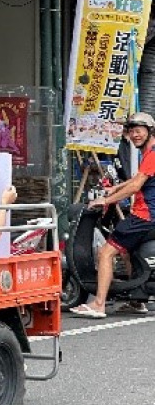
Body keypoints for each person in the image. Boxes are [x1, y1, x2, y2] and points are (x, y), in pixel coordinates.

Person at [72, 112, 155, 319]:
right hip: (148, 216)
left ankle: (98, 304)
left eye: (139, 131)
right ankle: (136, 300)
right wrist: (115, 188)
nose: (134, 135)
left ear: (150, 131)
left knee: (106, 252)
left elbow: (135, 186)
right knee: (127, 251)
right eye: (131, 131)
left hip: (144, 216)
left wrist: (106, 200)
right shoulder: (149, 153)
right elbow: (138, 179)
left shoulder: (152, 154)